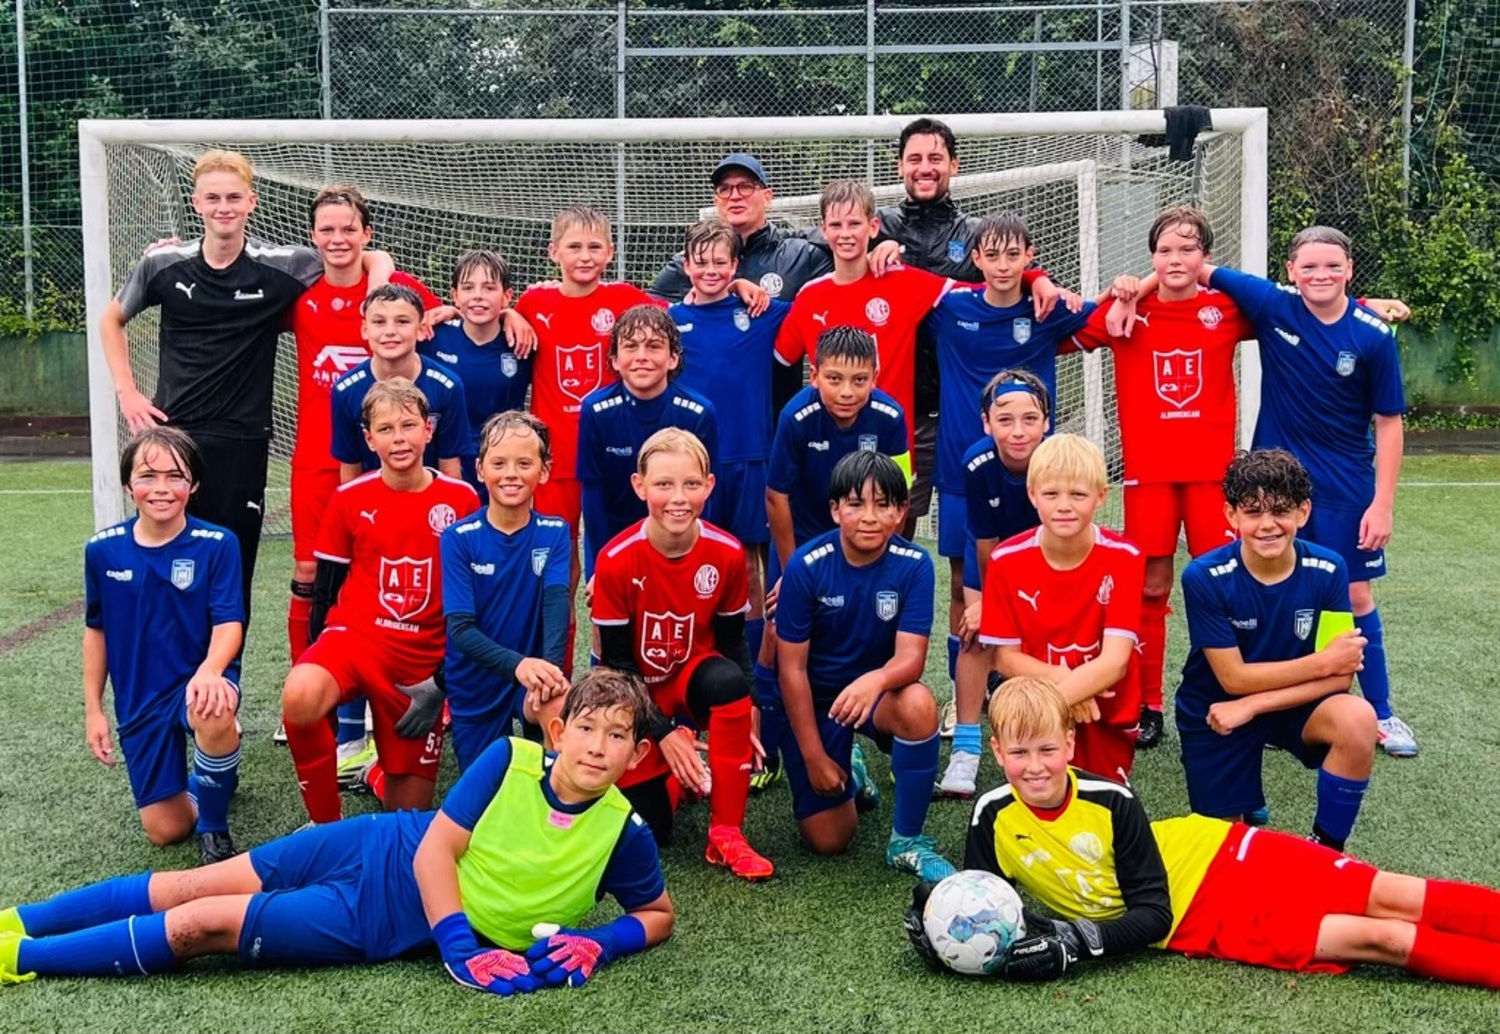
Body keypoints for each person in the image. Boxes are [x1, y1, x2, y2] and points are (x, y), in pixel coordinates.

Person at [1, 669, 675, 994]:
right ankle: (18, 920)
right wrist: (463, 951)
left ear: (637, 756)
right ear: (558, 731)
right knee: (187, 883)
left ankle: (19, 960)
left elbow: (657, 914)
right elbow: (439, 848)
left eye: (618, 736)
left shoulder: (624, 832)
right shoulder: (509, 759)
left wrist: (602, 943)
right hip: (376, 845)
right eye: (586, 727)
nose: (597, 746)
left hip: (375, 915)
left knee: (199, 924)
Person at [903, 676, 1500, 989]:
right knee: (1381, 942)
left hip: (1222, 855)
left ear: (1070, 746)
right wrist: (939, 922)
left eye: (1048, 749)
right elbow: (986, 901)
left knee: (1392, 895)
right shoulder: (990, 813)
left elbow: (1149, 912)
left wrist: (1075, 944)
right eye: (1019, 753)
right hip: (1205, 925)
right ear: (998, 751)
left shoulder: (1112, 801)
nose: (1034, 766)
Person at [99, 151, 393, 619]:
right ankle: (170, 679)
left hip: (242, 439)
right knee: (167, 561)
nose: (224, 207)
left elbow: (362, 253)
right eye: (213, 198)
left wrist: (380, 279)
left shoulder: (283, 266)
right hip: (175, 435)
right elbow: (111, 320)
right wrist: (127, 392)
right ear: (196, 203)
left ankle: (224, 682)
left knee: (233, 570)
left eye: (234, 197)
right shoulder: (163, 265)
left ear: (252, 201)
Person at [1189, 228, 1416, 758]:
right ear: (1289, 271)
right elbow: (1195, 267)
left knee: (1354, 596)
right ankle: (1275, 706)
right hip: (1275, 486)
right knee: (1269, 583)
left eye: (1332, 267)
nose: (1320, 275)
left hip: (1345, 487)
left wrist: (1382, 503)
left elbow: (1389, 423)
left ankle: (1379, 712)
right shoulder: (1273, 304)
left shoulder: (1372, 336)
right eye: (1309, 267)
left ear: (1350, 269)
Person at [1069, 206, 1248, 750]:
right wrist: (1124, 291)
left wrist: (1365, 306)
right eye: (1165, 250)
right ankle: (1148, 705)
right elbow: (1065, 333)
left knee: (1228, 585)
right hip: (1149, 477)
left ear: (1206, 259)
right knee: (1148, 587)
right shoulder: (1130, 312)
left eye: (1188, 249)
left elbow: (1297, 309)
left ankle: (1233, 693)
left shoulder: (1226, 308)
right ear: (1151, 257)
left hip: (1212, 478)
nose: (1176, 259)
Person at [925, 213, 1093, 739]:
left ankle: (1037, 683)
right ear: (975, 260)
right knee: (963, 582)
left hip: (1038, 474)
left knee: (1042, 576)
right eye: (990, 255)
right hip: (961, 471)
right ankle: (965, 692)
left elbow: (1108, 316)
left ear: (1029, 256)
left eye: (1012, 255)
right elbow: (897, 289)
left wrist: (1135, 286)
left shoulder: (1047, 309)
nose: (1001, 265)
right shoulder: (949, 306)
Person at [281, 379, 479, 823]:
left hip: (419, 664)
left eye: (409, 425)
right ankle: (322, 826)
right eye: (386, 429)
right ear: (368, 439)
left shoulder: (461, 500)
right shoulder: (349, 499)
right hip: (357, 639)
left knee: (402, 823)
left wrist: (441, 683)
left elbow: (473, 602)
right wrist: (317, 657)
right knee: (300, 695)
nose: (399, 438)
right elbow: (325, 592)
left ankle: (376, 772)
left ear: (429, 430)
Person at [591, 429, 772, 881]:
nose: (678, 498)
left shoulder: (728, 553)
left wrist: (748, 705)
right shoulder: (615, 559)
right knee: (652, 830)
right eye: (664, 485)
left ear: (709, 486)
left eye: (691, 484)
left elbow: (732, 643)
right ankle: (674, 770)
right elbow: (618, 668)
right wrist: (665, 732)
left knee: (729, 685)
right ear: (640, 486)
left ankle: (726, 833)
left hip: (691, 678)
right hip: (632, 690)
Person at [765, 451, 955, 881]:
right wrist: (814, 757)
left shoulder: (915, 565)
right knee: (831, 840)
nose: (869, 517)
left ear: (902, 511)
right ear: (835, 510)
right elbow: (790, 670)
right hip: (816, 699)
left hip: (874, 695)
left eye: (883, 504)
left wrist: (876, 680)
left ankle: (906, 840)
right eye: (855, 504)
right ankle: (848, 768)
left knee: (919, 705)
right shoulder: (805, 567)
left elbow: (911, 659)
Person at [1177, 449, 1376, 851]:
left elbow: (1342, 677)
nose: (1268, 525)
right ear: (1231, 516)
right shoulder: (1204, 576)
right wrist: (1321, 662)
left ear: (1303, 512)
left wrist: (1255, 704)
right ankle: (1242, 801)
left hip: (1283, 706)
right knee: (1226, 853)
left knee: (1358, 718)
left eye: (1281, 511)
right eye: (1253, 512)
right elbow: (1233, 679)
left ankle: (1325, 849)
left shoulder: (1329, 568)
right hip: (1216, 708)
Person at [287, 185, 444, 673]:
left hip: (394, 458)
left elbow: (454, 313)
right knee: (312, 571)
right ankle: (309, 679)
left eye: (349, 229)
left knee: (390, 570)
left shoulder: (397, 286)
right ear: (313, 235)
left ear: (366, 234)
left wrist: (508, 313)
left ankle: (390, 678)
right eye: (328, 229)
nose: (338, 238)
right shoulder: (298, 293)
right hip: (318, 457)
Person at [82, 427, 244, 866]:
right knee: (166, 831)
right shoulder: (102, 551)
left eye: (175, 476)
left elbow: (230, 623)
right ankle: (215, 773)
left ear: (193, 485)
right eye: (148, 475)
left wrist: (211, 671)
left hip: (198, 679)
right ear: (128, 484)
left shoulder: (217, 544)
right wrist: (94, 707)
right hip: (140, 697)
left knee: (212, 707)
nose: (161, 488)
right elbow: (95, 631)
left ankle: (215, 830)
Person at [761, 326, 910, 797]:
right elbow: (776, 496)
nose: (847, 391)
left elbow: (899, 494)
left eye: (860, 380)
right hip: (805, 543)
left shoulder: (889, 416)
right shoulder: (797, 415)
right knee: (773, 635)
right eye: (835, 378)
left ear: (876, 377)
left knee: (879, 633)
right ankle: (765, 749)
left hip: (868, 539)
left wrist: (889, 557)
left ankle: (890, 743)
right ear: (815, 375)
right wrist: (790, 570)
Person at [978, 434, 1145, 782]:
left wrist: (1046, 706)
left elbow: (1115, 662)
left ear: (1101, 496)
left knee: (1102, 811)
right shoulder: (1005, 561)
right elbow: (1005, 659)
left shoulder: (1125, 558)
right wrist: (1068, 691)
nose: (1064, 505)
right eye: (1052, 494)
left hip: (1104, 710)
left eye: (1078, 494)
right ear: (1032, 494)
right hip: (1052, 710)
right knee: (1041, 806)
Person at [669, 217, 792, 689]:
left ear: (737, 264)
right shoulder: (670, 320)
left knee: (746, 566)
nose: (712, 270)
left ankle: (752, 671)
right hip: (693, 466)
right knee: (690, 558)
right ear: (685, 266)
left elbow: (816, 305)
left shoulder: (761, 312)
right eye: (701, 262)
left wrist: (748, 287)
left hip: (750, 457)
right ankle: (692, 660)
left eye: (722, 262)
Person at [773, 179, 954, 459]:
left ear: (873, 227)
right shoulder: (809, 297)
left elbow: (980, 294)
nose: (845, 234)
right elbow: (780, 357)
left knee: (894, 502)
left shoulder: (902, 281)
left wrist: (1033, 279)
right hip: (828, 452)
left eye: (854, 223)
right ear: (823, 230)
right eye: (836, 225)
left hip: (892, 449)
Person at [937, 369, 1050, 798]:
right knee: (975, 629)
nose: (1018, 431)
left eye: (1029, 419)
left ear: (1046, 422)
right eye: (1005, 420)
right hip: (995, 558)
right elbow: (988, 549)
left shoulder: (1056, 459)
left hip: (1048, 559)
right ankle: (966, 748)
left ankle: (1049, 736)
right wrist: (992, 603)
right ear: (986, 423)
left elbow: (1067, 539)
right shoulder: (978, 463)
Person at [649, 153, 831, 416]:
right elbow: (647, 315)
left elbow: (846, 265)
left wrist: (880, 247)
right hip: (697, 424)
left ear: (768, 196)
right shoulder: (686, 267)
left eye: (746, 186)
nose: (735, 196)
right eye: (725, 189)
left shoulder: (801, 256)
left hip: (774, 421)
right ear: (716, 200)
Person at [441, 411, 572, 771]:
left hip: (531, 678)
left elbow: (556, 603)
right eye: (499, 463)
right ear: (481, 469)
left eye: (524, 463)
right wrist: (520, 665)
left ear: (543, 471)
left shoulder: (555, 532)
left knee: (553, 746)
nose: (511, 473)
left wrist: (549, 674)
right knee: (487, 793)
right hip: (476, 682)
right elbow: (461, 630)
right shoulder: (458, 538)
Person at [578, 305, 719, 578]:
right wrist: (599, 567)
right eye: (631, 347)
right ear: (615, 360)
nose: (641, 357)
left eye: (654, 346)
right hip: (618, 544)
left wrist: (698, 559)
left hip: (679, 547)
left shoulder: (699, 413)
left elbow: (706, 498)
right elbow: (593, 497)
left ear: (673, 358)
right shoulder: (595, 410)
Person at [420, 250, 535, 499]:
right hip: (442, 463)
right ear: (454, 295)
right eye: (468, 287)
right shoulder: (432, 337)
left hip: (503, 466)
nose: (478, 296)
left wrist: (511, 315)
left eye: (489, 288)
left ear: (507, 296)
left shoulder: (523, 341)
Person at [330, 283, 472, 484]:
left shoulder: (447, 387)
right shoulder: (346, 391)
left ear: (422, 329)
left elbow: (450, 470)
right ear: (364, 329)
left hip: (429, 504)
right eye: (379, 322)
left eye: (402, 321)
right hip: (374, 506)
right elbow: (350, 472)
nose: (390, 331)